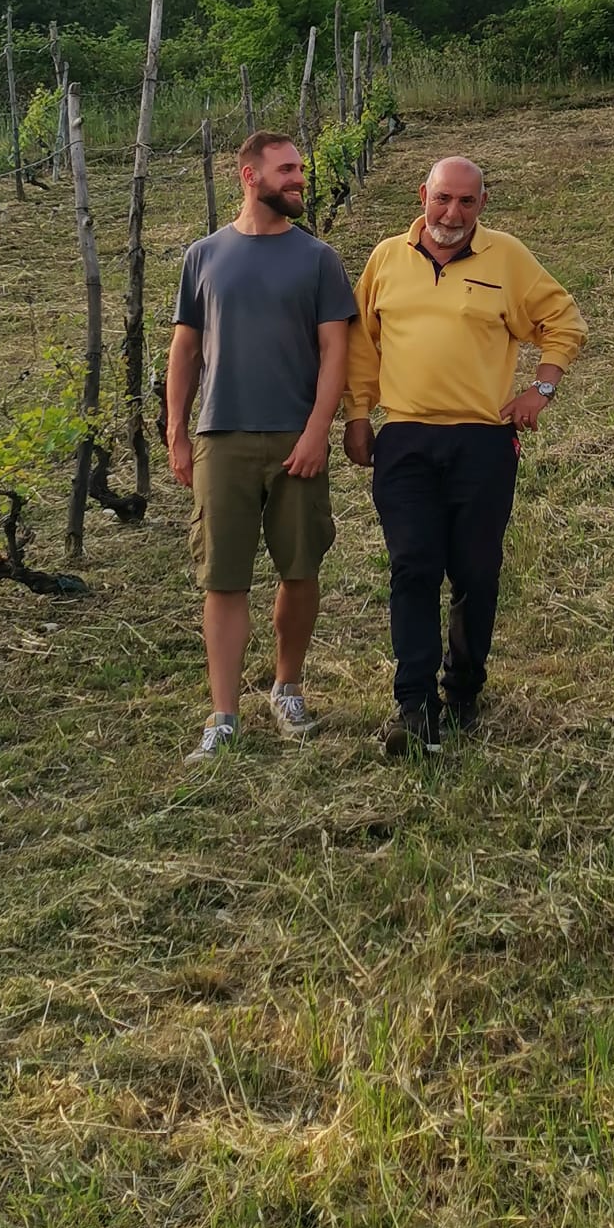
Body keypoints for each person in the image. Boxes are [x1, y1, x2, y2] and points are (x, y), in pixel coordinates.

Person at [343, 156, 588, 754]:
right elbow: (361, 345)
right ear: (422, 195)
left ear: (483, 203)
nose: (452, 214)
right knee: (413, 566)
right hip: (404, 439)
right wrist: (356, 416)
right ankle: (415, 704)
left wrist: (542, 387)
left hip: (481, 441)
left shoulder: (505, 257)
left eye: (467, 203)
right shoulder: (385, 259)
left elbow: (564, 321)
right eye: (443, 199)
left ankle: (464, 687)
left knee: (475, 572)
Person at [166, 131, 358, 760]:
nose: (299, 178)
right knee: (222, 580)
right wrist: (175, 428)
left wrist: (316, 433)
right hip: (221, 438)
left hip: (295, 438)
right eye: (287, 169)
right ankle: (222, 716)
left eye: (301, 169)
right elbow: (185, 351)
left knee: (300, 570)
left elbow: (336, 354)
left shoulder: (319, 259)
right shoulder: (204, 256)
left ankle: (287, 687)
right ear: (249, 176)